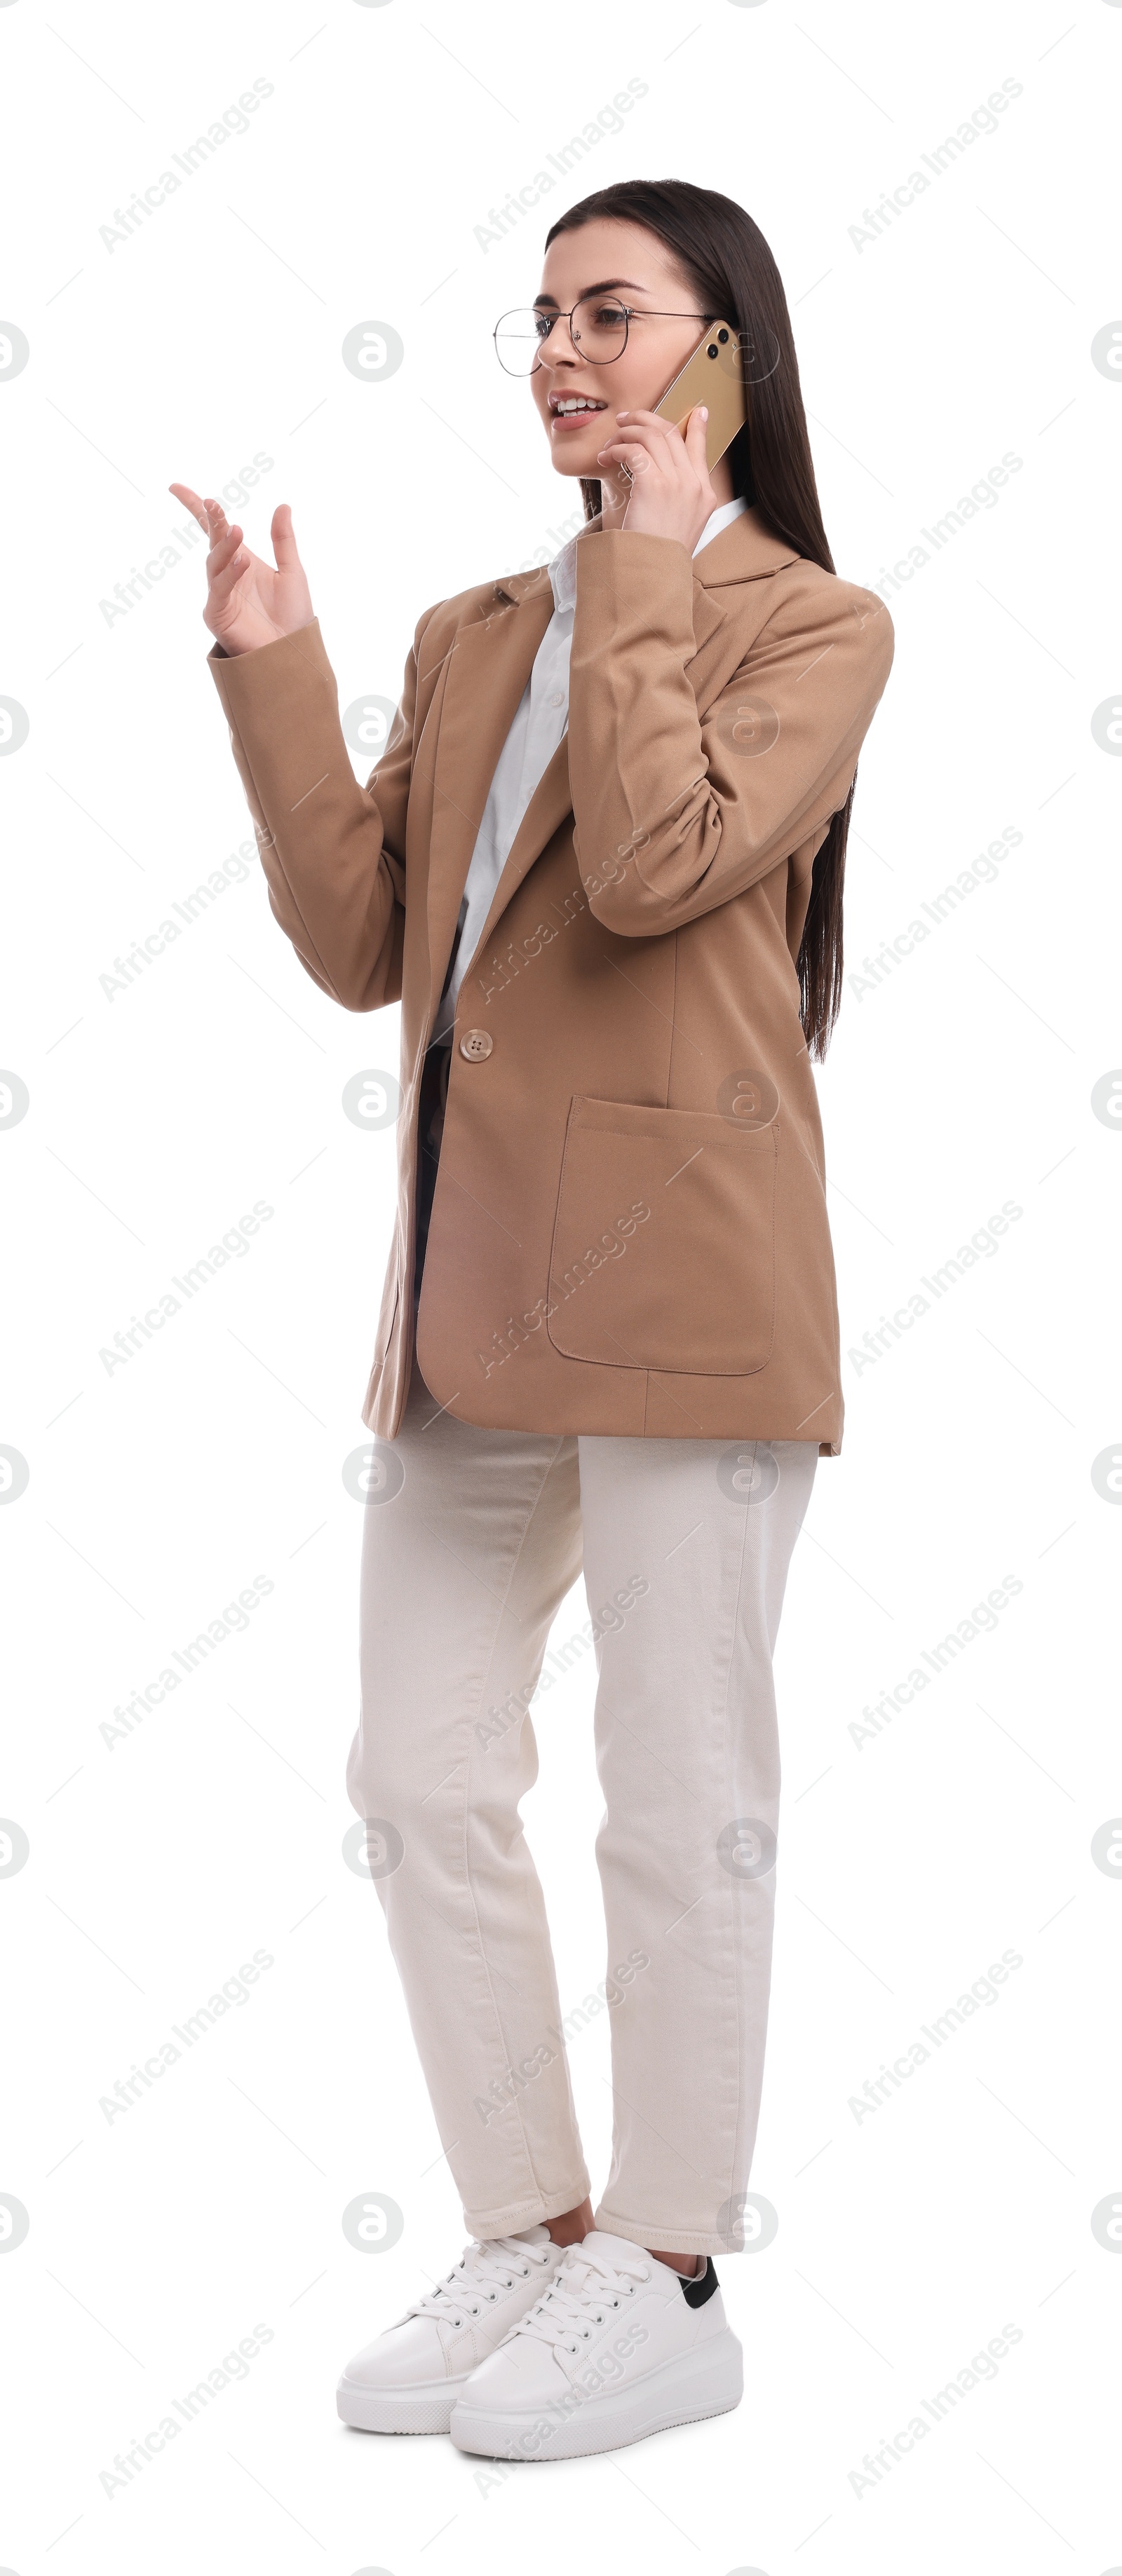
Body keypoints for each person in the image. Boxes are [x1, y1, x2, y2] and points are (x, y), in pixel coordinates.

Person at [172, 175, 894, 2466]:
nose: (563, 352)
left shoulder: (814, 623)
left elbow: (670, 859)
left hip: (689, 1285)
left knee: (681, 1801)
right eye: (544, 317)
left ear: (723, 354)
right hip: (471, 1294)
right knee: (417, 1770)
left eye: (612, 312)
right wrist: (274, 660)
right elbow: (364, 937)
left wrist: (657, 573)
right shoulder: (485, 622)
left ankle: (666, 2271)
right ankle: (532, 2221)